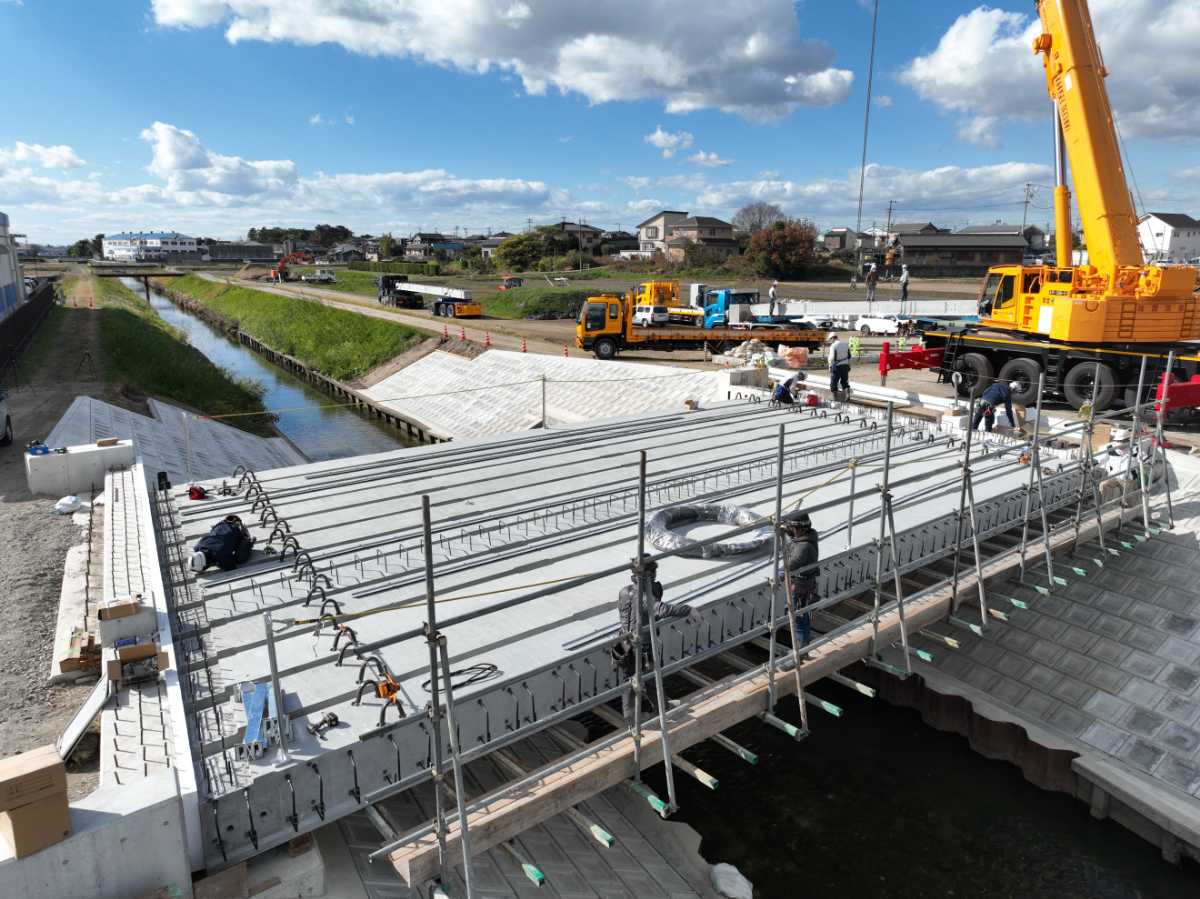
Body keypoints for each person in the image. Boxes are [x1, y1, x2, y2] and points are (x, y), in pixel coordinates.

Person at [614, 559, 695, 726]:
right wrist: (689, 609)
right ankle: (633, 720)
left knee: (631, 680)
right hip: (641, 647)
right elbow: (663, 609)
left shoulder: (624, 592)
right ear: (649, 576)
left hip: (623, 643)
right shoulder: (644, 598)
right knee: (643, 680)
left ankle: (660, 707)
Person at [782, 512, 819, 650]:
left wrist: (781, 571)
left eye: (792, 529)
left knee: (799, 619)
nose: (790, 532)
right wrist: (784, 529)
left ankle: (800, 650)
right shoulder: (806, 538)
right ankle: (800, 648)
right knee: (800, 617)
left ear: (800, 529)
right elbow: (792, 538)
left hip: (802, 587)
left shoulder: (804, 546)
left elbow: (794, 562)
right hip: (803, 585)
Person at [191, 514, 255, 572]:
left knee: (240, 559)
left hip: (237, 531)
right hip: (222, 524)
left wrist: (220, 563)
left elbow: (231, 566)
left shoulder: (220, 556)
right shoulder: (198, 547)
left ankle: (248, 542)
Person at [828, 333, 851, 397]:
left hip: (837, 367)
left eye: (830, 339)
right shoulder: (846, 344)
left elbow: (831, 358)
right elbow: (849, 356)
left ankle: (835, 397)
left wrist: (830, 366)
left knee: (834, 383)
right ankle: (847, 395)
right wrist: (848, 365)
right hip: (845, 366)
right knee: (844, 381)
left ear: (832, 338)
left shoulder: (833, 346)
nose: (830, 341)